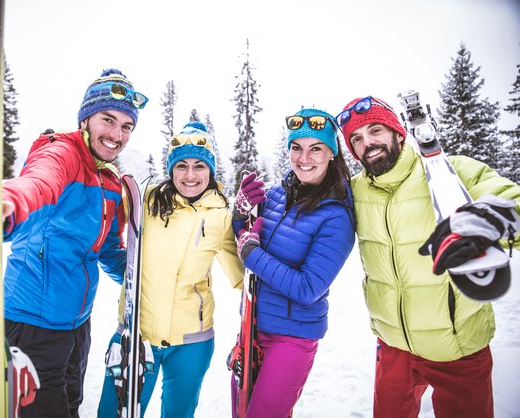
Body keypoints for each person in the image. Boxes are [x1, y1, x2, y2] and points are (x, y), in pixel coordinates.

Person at [0, 68, 148, 417]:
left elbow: (108, 248)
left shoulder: (109, 182)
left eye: (127, 126)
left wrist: (139, 274)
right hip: (32, 322)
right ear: (86, 119)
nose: (116, 134)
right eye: (108, 120)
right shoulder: (61, 153)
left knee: (70, 405)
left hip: (77, 324)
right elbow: (37, 185)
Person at [336, 95, 520, 418]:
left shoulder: (449, 170)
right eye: (357, 139)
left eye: (375, 130)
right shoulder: (355, 192)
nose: (368, 144)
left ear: (398, 132)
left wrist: (497, 219)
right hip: (394, 347)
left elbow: (510, 201)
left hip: (458, 347)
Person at [97, 121, 245, 418]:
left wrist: (247, 227)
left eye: (199, 166)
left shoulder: (220, 216)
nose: (190, 176)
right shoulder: (145, 200)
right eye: (182, 166)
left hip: (192, 341)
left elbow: (242, 277)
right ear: (171, 169)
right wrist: (127, 278)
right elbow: (108, 235)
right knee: (112, 414)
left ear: (211, 170)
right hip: (137, 335)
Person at [231, 108, 356, 418]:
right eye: (297, 147)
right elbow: (248, 234)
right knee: (241, 413)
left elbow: (307, 288)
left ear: (332, 153)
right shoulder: (274, 196)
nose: (305, 157)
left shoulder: (337, 216)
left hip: (292, 338)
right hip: (252, 326)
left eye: (316, 148)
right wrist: (239, 215)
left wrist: (250, 254)